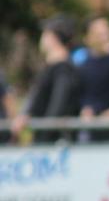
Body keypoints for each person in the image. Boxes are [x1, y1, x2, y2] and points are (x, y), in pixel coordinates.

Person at [9, 16, 81, 144]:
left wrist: (44, 132)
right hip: (44, 139)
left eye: (46, 34)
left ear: (54, 38)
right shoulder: (51, 67)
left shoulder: (63, 69)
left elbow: (58, 108)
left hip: (54, 142)